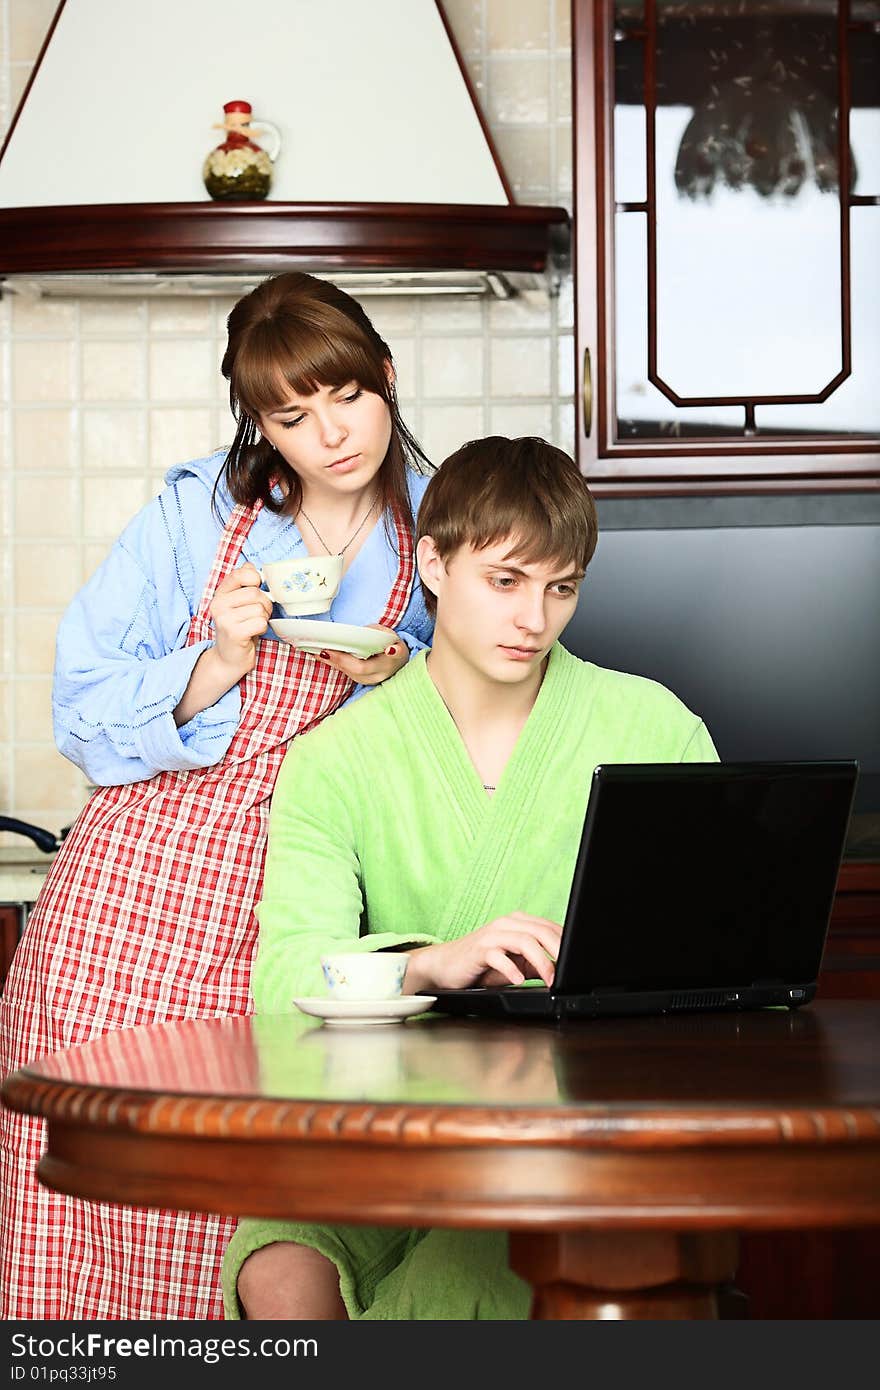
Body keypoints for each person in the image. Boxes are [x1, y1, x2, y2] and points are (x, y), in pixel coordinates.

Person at [0, 271, 435, 1320]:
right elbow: (83, 705)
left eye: (344, 395)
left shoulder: (444, 524)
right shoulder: (199, 511)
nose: (330, 433)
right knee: (91, 1189)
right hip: (126, 901)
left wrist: (401, 682)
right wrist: (219, 657)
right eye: (292, 414)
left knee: (242, 1204)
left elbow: (483, 714)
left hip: (299, 904)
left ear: (385, 374)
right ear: (260, 424)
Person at [221, 434, 718, 1321]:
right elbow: (280, 984)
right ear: (435, 564)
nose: (535, 619)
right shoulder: (334, 761)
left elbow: (717, 966)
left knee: (475, 1275)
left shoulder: (656, 727)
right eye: (506, 581)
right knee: (280, 1265)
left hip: (575, 1140)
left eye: (560, 587)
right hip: (385, 1136)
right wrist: (424, 964)